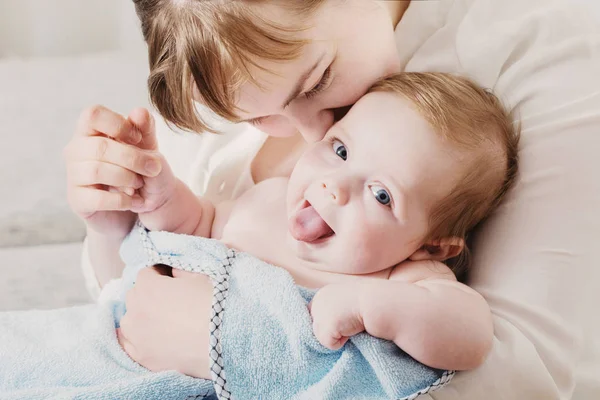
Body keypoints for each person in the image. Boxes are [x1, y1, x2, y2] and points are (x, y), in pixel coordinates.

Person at [64, 0, 600, 398]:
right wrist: (112, 225)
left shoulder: (535, 50)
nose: (305, 133)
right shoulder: (206, 42)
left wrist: (227, 348)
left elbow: (528, 376)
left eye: (318, 80)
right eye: (252, 116)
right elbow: (136, 288)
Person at [117, 72, 518, 379]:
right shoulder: (267, 200)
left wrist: (370, 306)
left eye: (381, 195)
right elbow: (196, 224)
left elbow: (471, 335)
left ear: (430, 245)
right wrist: (163, 196)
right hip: (133, 348)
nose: (335, 186)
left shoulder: (401, 276)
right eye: (340, 150)